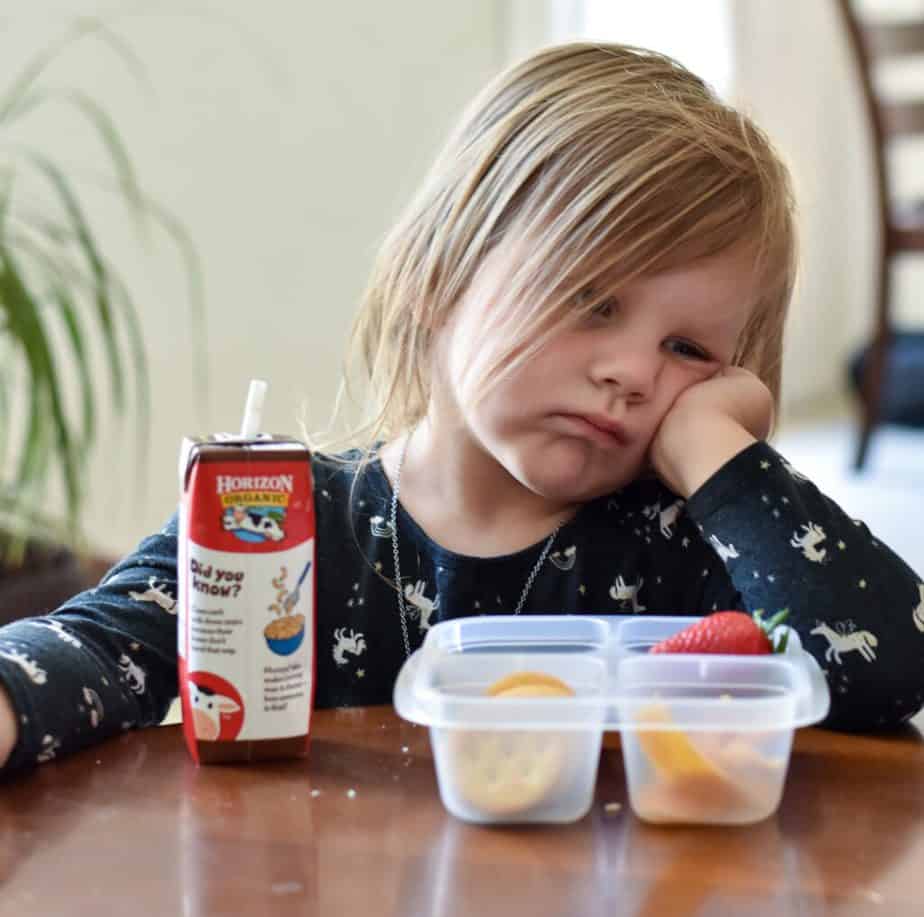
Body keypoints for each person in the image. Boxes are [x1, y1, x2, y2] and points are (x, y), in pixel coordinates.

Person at [2, 42, 922, 775]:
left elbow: (889, 671)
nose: (635, 372)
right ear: (439, 279)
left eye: (689, 351)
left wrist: (720, 459)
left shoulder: (685, 542)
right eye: (590, 300)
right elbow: (90, 652)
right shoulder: (288, 519)